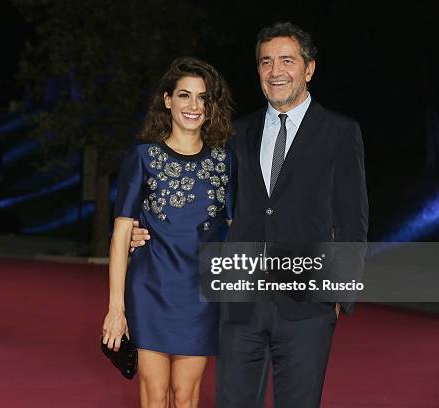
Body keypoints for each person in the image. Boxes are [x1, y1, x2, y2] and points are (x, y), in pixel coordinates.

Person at [131, 22, 368, 408]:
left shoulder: (340, 133)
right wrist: (143, 228)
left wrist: (339, 293)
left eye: (287, 61)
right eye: (266, 62)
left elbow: (352, 218)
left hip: (306, 308)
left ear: (308, 69)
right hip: (240, 305)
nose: (276, 71)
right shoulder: (234, 134)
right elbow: (196, 195)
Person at [101, 57, 234, 408]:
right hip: (150, 289)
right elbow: (120, 235)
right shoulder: (143, 158)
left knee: (186, 397)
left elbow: (236, 231)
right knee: (154, 395)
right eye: (184, 95)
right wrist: (116, 308)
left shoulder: (225, 162)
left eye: (202, 98)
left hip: (201, 297)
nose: (193, 106)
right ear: (167, 100)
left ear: (211, 105)